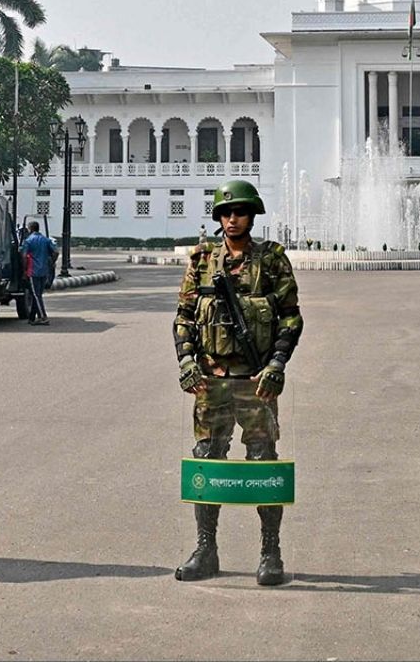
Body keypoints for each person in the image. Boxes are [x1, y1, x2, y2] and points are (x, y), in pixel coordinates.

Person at [172, 179, 302, 586]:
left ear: (252, 215)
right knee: (207, 462)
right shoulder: (202, 261)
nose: (233, 219)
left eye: (241, 212)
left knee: (263, 462)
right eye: (227, 213)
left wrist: (277, 363)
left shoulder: (272, 259)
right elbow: (184, 318)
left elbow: (291, 317)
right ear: (218, 218)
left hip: (256, 381)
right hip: (210, 382)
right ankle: (205, 549)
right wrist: (187, 362)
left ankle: (270, 552)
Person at [21, 220, 57, 325]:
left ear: (31, 229)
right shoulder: (45, 240)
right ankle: (32, 317)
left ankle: (43, 317)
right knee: (38, 294)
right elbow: (55, 252)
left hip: (33, 271)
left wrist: (24, 269)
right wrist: (51, 263)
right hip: (44, 271)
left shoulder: (29, 241)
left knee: (36, 295)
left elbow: (24, 256)